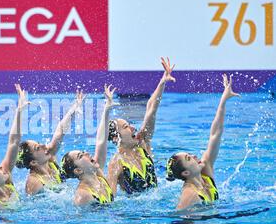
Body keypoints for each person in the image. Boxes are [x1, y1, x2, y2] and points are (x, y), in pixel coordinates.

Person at [166, 74, 240, 210]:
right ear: (186, 173)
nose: (194, 156)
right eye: (189, 158)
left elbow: (215, 133)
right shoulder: (189, 196)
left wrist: (223, 100)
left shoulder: (206, 169)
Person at [107, 57, 175, 195]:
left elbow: (151, 108)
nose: (133, 128)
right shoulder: (116, 163)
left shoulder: (143, 143)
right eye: (126, 127)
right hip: (136, 212)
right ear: (116, 138)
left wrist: (162, 82)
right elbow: (110, 198)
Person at [16, 90, 84, 195]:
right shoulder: (34, 183)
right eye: (37, 148)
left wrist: (74, 108)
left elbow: (60, 131)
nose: (43, 145)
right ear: (34, 162)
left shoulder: (49, 158)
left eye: (39, 143)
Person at [60, 85, 118, 206]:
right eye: (81, 156)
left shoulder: (99, 177)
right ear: (78, 170)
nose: (86, 153)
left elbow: (101, 141)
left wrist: (107, 109)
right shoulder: (83, 196)